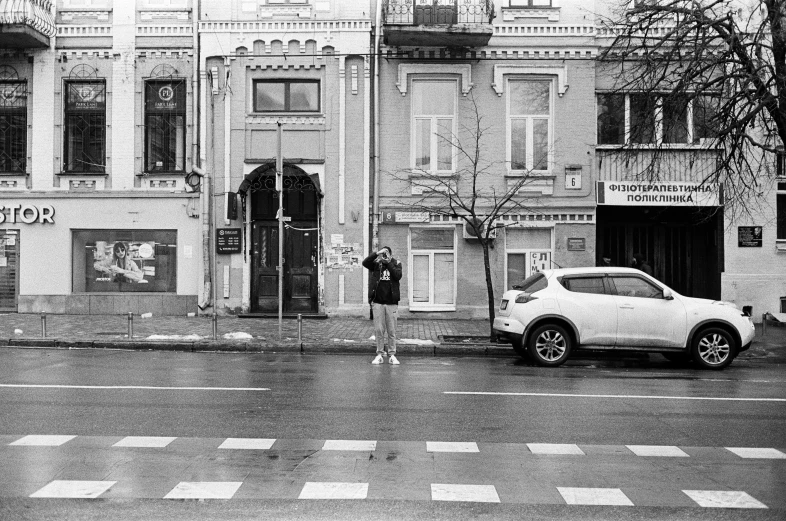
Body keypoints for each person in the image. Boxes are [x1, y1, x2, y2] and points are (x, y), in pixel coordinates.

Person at [362, 246, 402, 365]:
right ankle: (379, 354)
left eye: (386, 253)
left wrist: (389, 262)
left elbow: (397, 275)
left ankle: (392, 355)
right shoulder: (376, 264)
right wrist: (377, 254)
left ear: (390, 254)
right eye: (383, 253)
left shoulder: (396, 263)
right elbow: (365, 262)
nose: (384, 255)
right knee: (379, 330)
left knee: (391, 330)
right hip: (378, 302)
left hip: (391, 303)